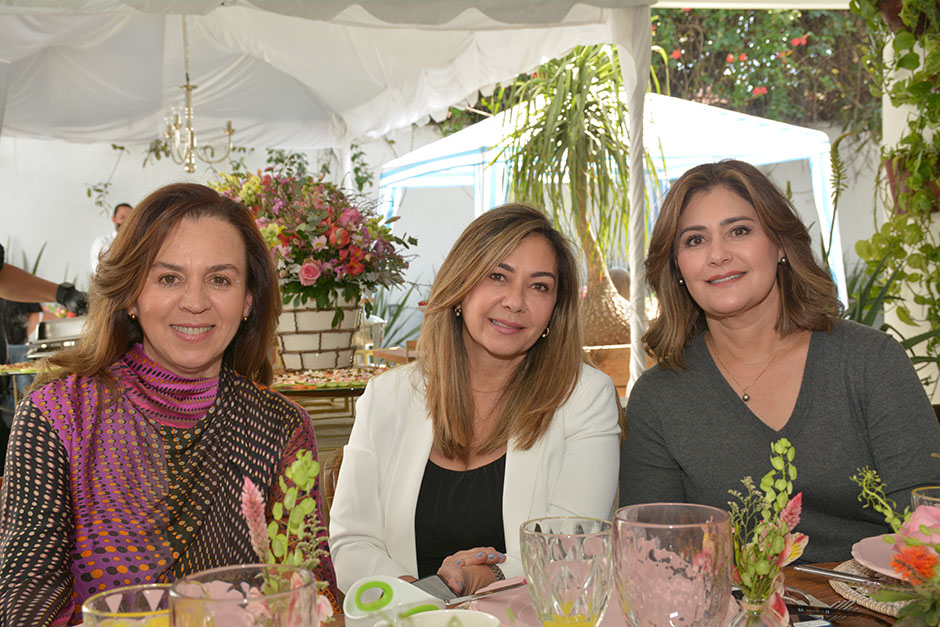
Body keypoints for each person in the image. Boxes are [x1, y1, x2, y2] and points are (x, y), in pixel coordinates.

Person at [0, 183, 338, 626]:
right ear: (130, 295)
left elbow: (311, 590)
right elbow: (26, 602)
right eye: (168, 278)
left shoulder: (278, 426)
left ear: (248, 299)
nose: (195, 303)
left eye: (220, 279)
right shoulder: (58, 415)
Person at [619, 160, 940, 563]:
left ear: (782, 245)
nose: (718, 255)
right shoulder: (658, 397)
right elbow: (655, 557)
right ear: (677, 267)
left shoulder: (869, 361)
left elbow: (928, 523)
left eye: (739, 231)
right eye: (695, 241)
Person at [329, 203, 621, 595]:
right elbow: (352, 542)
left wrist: (484, 577)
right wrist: (419, 596)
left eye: (539, 286)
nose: (515, 301)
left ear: (555, 309)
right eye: (497, 276)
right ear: (460, 287)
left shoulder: (584, 398)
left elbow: (569, 549)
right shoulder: (387, 397)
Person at [89, 201, 133, 273]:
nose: (126, 221)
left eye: (130, 218)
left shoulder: (138, 243)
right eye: (122, 217)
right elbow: (97, 271)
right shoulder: (101, 242)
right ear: (114, 219)